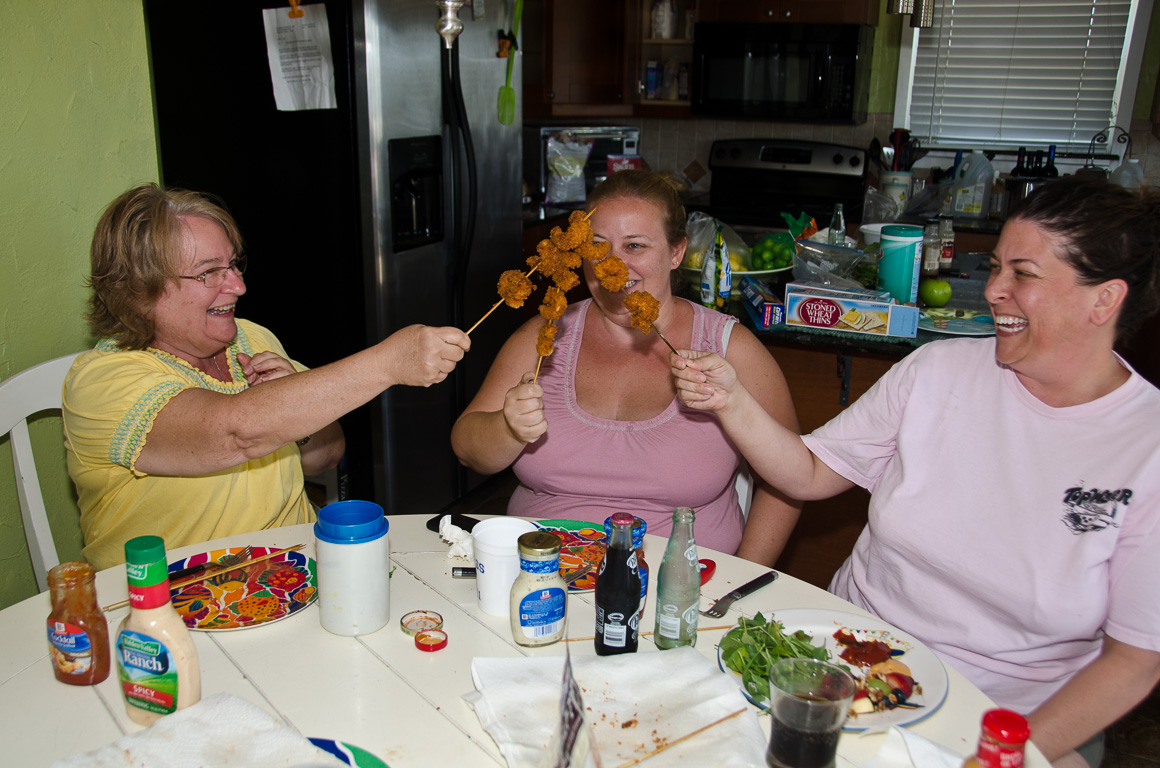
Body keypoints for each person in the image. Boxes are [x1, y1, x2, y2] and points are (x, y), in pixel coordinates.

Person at [671, 174, 1160, 767]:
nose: (995, 291)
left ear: (1104, 299)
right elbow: (807, 473)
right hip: (850, 660)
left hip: (1009, 715)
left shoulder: (1145, 446)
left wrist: (1000, 751)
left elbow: (1135, 661)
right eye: (996, 267)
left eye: (1023, 274)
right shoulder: (938, 370)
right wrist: (731, 400)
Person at [64, 184, 470, 568]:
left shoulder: (252, 338)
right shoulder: (101, 382)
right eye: (210, 273)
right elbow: (234, 433)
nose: (238, 286)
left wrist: (294, 421)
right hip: (165, 599)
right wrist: (388, 362)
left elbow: (326, 453)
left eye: (234, 264)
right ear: (139, 290)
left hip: (289, 574)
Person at [451, 170, 801, 563]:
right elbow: (467, 450)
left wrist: (743, 581)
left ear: (676, 252)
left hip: (683, 589)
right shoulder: (544, 336)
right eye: (597, 245)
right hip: (541, 579)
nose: (610, 264)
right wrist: (507, 428)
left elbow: (792, 478)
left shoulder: (728, 350)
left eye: (634, 245)